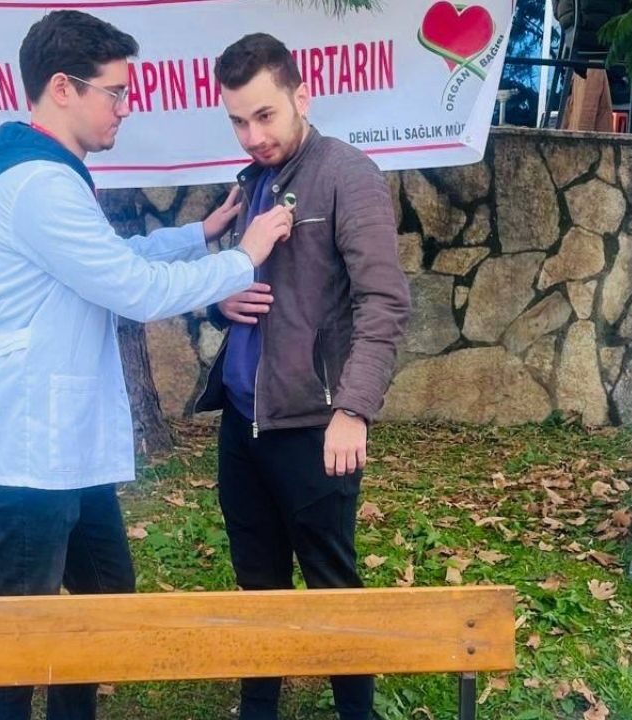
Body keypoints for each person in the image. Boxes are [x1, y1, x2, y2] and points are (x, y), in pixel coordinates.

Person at [0, 11, 292, 720]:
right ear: (62, 88)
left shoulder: (48, 176)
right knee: (17, 638)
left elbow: (108, 261)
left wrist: (197, 235)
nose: (125, 107)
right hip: (27, 450)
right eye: (115, 92)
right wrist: (244, 256)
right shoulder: (40, 186)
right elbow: (132, 290)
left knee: (104, 599)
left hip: (63, 450)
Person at [194, 32, 410, 720]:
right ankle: (258, 710)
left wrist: (353, 408)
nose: (253, 136)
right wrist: (221, 300)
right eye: (237, 120)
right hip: (242, 421)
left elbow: (384, 301)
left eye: (264, 115)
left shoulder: (348, 174)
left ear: (302, 98)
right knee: (257, 583)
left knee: (331, 585)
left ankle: (356, 714)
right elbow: (246, 283)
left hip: (316, 428)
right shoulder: (250, 183)